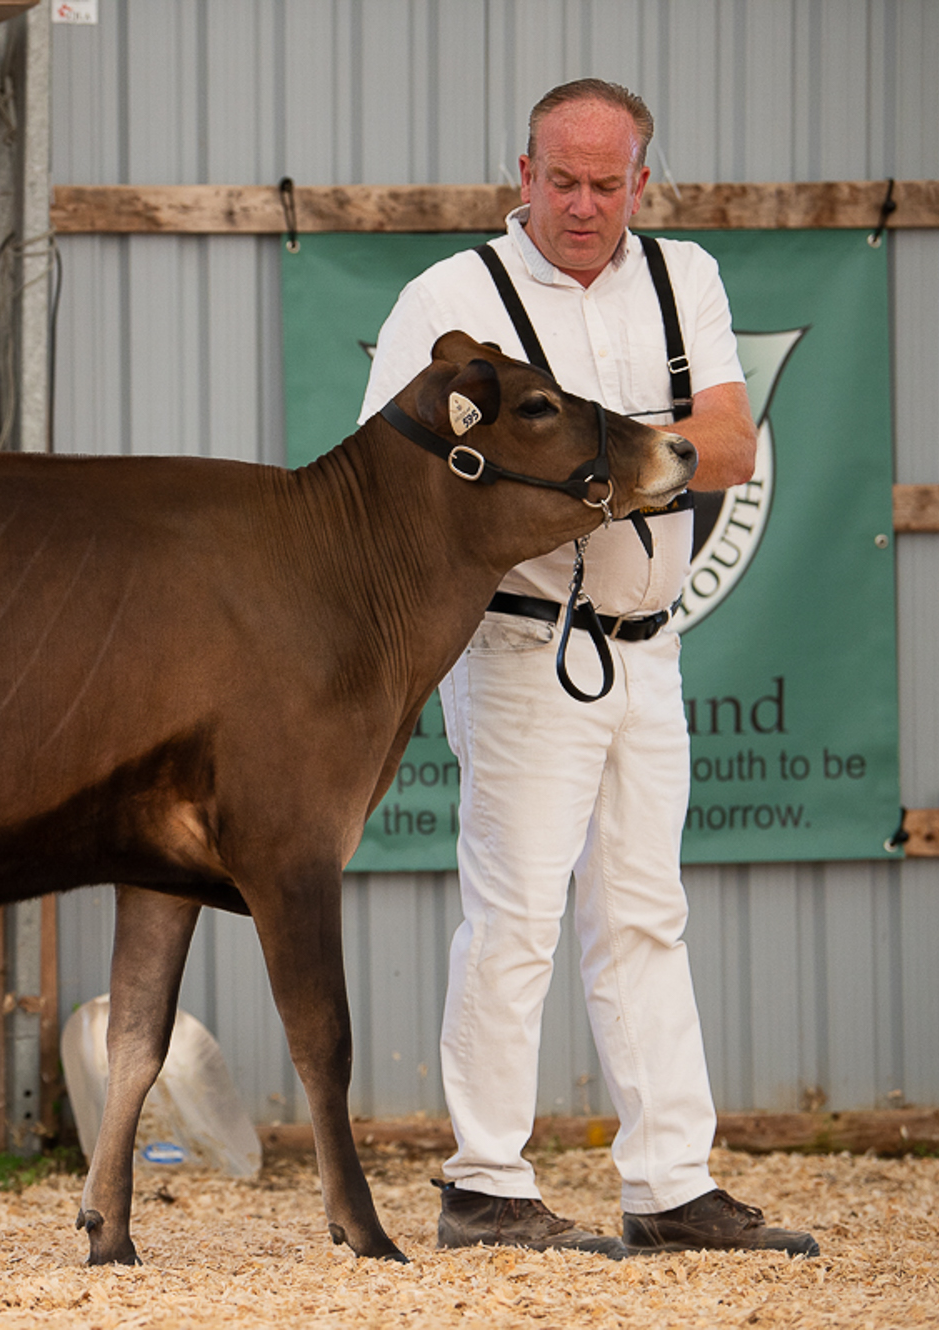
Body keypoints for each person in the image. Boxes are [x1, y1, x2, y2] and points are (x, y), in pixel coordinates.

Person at [358, 80, 816, 1258]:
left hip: (647, 644)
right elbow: (389, 475)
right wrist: (636, 455)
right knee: (514, 916)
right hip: (519, 639)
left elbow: (729, 442)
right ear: (521, 174)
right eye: (558, 180)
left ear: (639, 185)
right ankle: (483, 1185)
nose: (579, 204)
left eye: (603, 184)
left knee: (645, 915)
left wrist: (584, 459)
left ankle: (669, 1186)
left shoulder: (681, 277)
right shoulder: (449, 297)